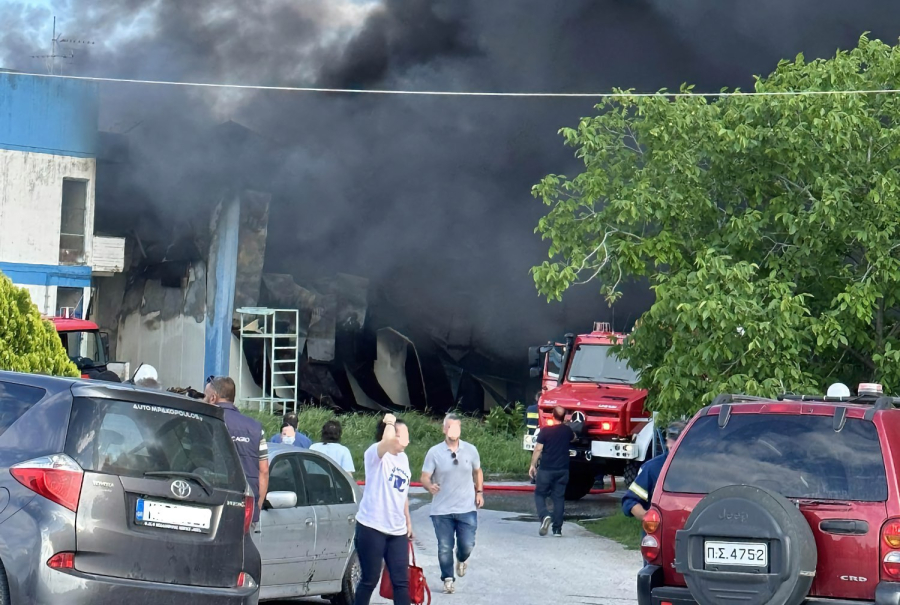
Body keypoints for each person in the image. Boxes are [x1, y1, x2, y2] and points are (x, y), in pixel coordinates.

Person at [421, 413, 483, 595]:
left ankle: (462, 558)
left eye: (456, 427)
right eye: (449, 427)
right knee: (444, 546)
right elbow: (424, 476)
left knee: (467, 545)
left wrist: (479, 492)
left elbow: (477, 471)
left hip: (467, 507)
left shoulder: (471, 450)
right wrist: (429, 486)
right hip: (442, 510)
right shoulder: (434, 452)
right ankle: (448, 579)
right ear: (444, 429)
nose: (452, 430)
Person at [354, 413, 413, 605]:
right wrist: (389, 421)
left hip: (397, 530)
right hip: (372, 527)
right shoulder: (376, 454)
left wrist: (408, 521)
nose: (406, 439)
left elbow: (402, 493)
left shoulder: (403, 459)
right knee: (369, 580)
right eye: (402, 434)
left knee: (401, 582)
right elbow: (386, 441)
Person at [205, 376, 270, 531]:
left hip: (209, 502)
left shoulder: (206, 422)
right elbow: (264, 471)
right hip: (245, 507)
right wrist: (256, 506)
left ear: (213, 398)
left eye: (205, 396)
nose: (203, 399)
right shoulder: (255, 428)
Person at [622, 421, 685, 521]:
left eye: (679, 447)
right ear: (667, 441)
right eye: (672, 447)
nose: (674, 452)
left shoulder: (700, 466)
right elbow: (630, 501)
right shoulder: (652, 468)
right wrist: (647, 517)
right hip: (662, 528)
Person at [529, 406, 575, 537]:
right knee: (559, 498)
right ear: (564, 417)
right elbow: (574, 437)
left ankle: (544, 516)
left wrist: (532, 465)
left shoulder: (545, 431)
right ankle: (557, 530)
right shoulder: (567, 431)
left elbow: (538, 449)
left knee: (539, 494)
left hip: (546, 469)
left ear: (552, 416)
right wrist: (568, 425)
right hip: (563, 470)